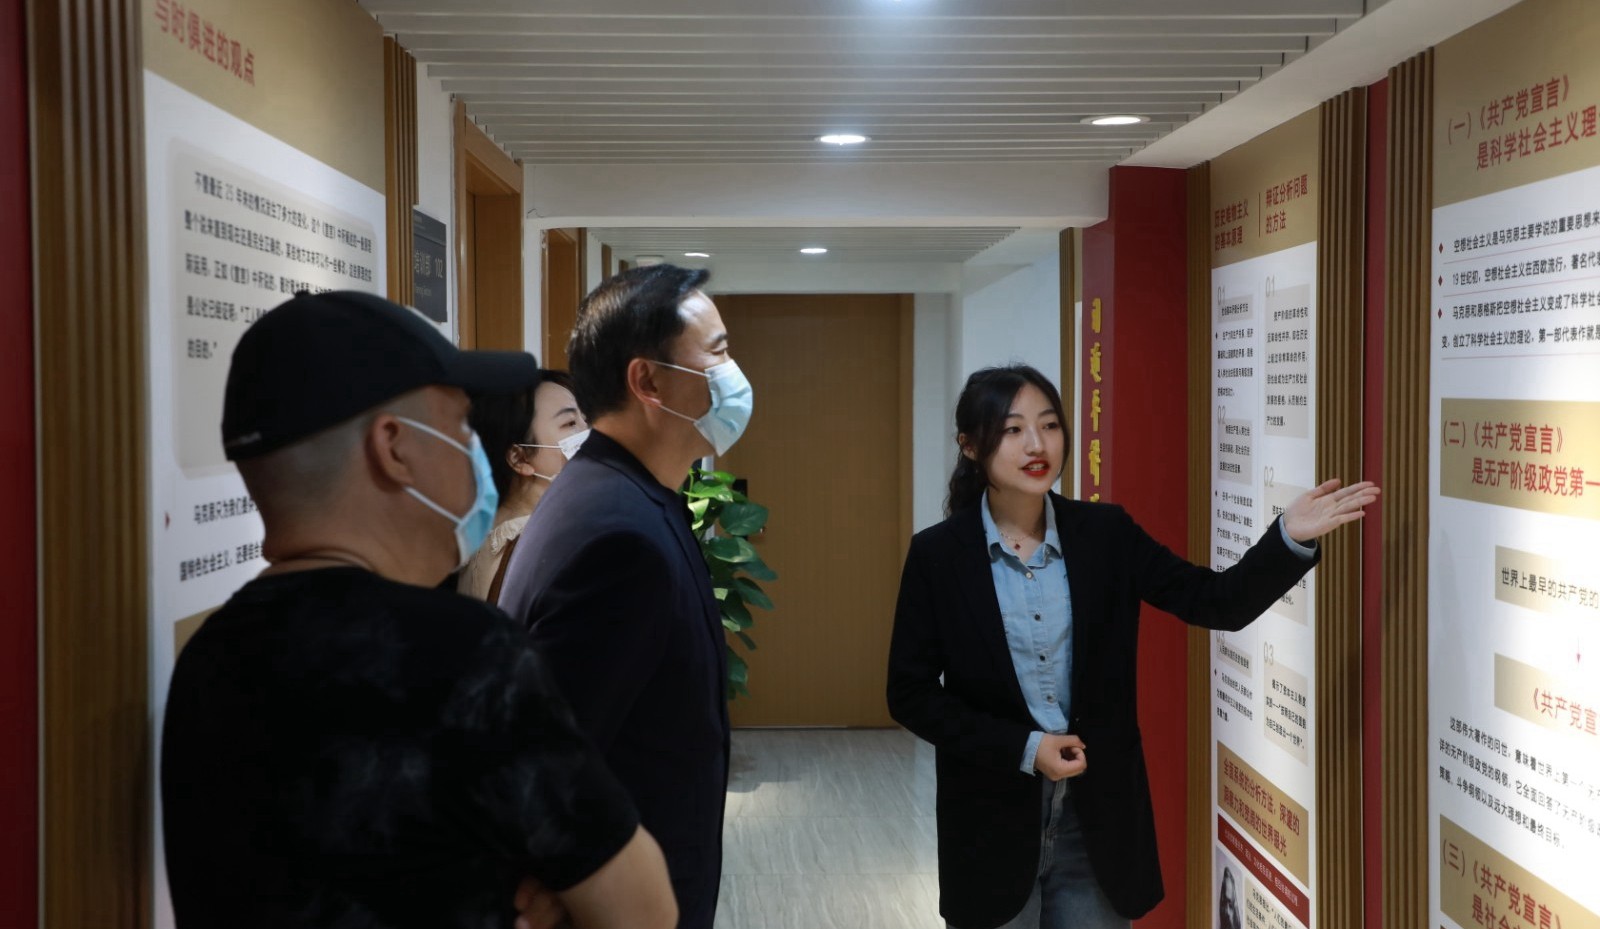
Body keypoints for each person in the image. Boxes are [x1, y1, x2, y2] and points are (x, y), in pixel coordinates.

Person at [161, 290, 677, 929]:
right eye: (460, 426)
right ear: (395, 447)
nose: (474, 451)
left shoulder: (211, 657)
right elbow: (643, 908)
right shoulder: (459, 652)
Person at [886, 364, 1379, 929]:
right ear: (970, 446)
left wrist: (1287, 537)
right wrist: (1025, 747)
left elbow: (1215, 600)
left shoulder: (1105, 535)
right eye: (1012, 429)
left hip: (1097, 825)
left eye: (1049, 425)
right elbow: (910, 694)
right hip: (990, 825)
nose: (1037, 445)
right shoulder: (938, 557)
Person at [499, 265, 752, 929]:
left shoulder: (628, 494)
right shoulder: (618, 535)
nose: (733, 373)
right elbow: (554, 756)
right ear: (648, 381)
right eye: (718, 352)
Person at [458, 370, 588, 604]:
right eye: (570, 423)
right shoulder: (549, 544)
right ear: (520, 458)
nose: (590, 435)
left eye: (586, 420)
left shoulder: (481, 537)